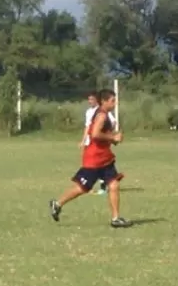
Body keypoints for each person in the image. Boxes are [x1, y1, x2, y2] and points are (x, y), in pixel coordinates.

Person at [49, 89, 132, 228]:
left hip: (105, 159)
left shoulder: (105, 114)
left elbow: (102, 136)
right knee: (82, 188)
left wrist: (114, 139)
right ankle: (57, 204)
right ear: (104, 101)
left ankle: (116, 219)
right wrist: (113, 137)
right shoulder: (101, 116)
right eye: (112, 100)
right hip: (94, 159)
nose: (115, 103)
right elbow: (94, 134)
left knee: (114, 185)